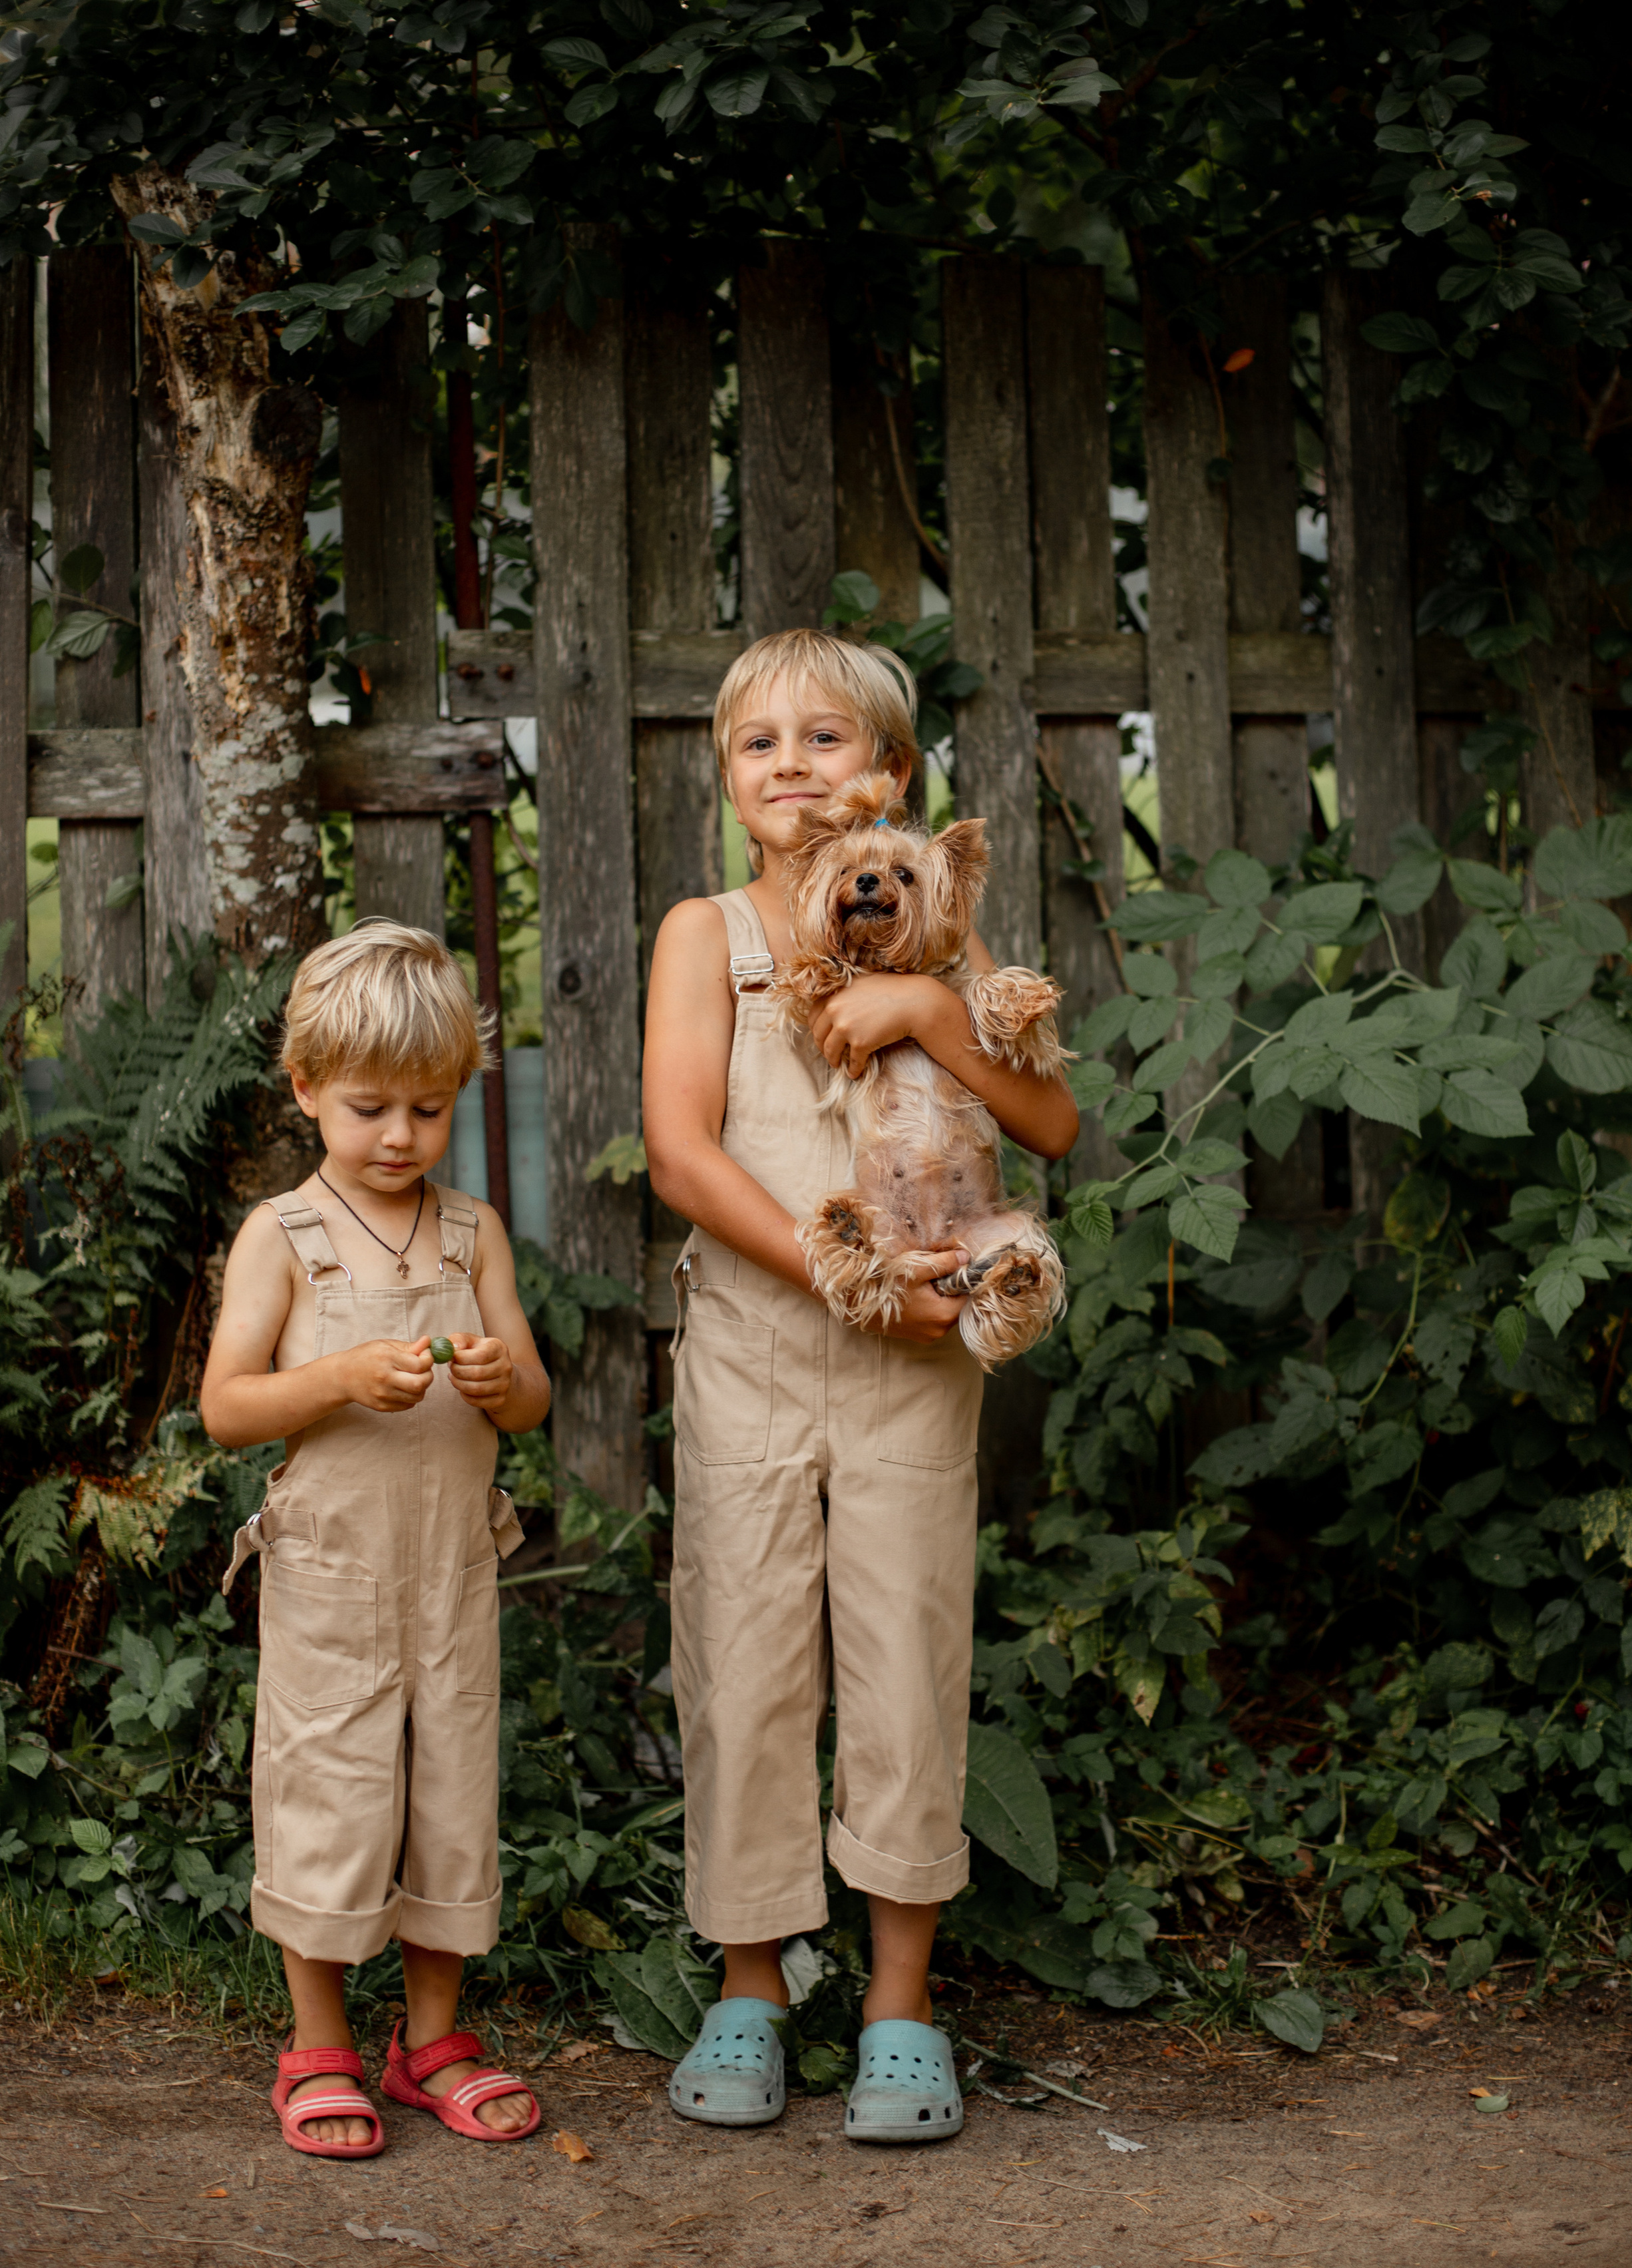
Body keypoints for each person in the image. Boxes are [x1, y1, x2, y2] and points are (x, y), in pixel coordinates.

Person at [643, 628, 1079, 2142]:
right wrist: (849, 1278)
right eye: (757, 746)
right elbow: (682, 1154)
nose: (790, 769)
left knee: (902, 1657)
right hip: (761, 1359)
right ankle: (753, 1981)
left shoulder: (940, 936)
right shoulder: (707, 936)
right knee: (746, 1659)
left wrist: (927, 1016)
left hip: (912, 1377)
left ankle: (901, 1998)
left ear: (890, 775)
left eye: (824, 742)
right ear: (728, 781)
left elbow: (1055, 1120)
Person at [202, 920, 552, 2159]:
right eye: (368, 1109)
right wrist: (342, 1375)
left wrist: (506, 1380)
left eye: (428, 1107)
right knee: (331, 1793)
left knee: (453, 1793)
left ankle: (432, 2039)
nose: (399, 1136)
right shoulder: (283, 1236)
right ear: (306, 1091)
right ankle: (320, 2043)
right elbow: (228, 1405)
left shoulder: (472, 1234)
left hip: (452, 1566)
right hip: (333, 1575)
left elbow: (532, 1397)